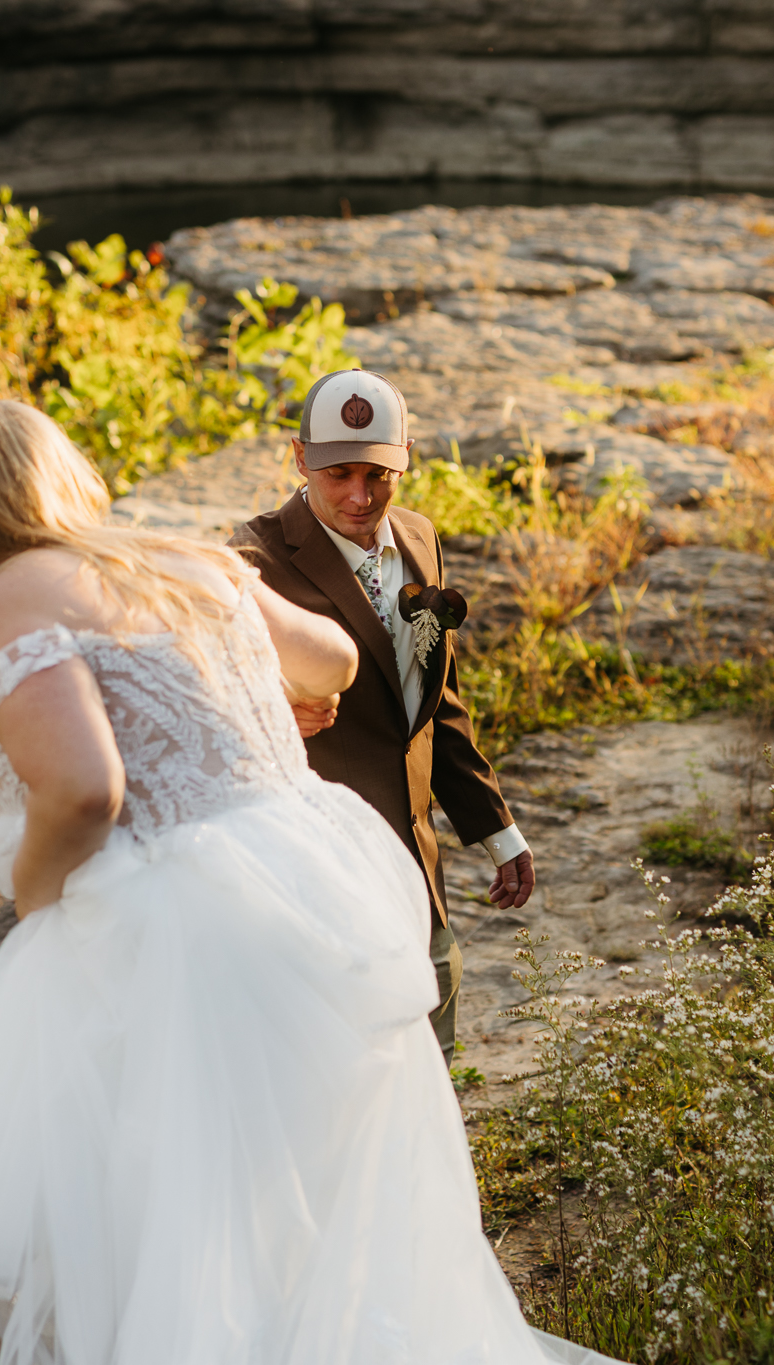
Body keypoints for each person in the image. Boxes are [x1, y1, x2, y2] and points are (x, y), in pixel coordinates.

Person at [0, 399, 612, 1365]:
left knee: (178, 1200)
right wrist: (260, 701)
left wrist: (33, 894)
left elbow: (88, 789)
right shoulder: (183, 558)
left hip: (181, 916)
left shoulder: (2, 598)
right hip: (315, 877)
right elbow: (335, 658)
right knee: (321, 1191)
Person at [231, 369, 533, 1056]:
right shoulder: (252, 559)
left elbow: (436, 704)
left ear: (407, 457)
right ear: (300, 456)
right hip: (314, 883)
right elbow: (208, 709)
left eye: (379, 473)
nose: (361, 496)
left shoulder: (420, 539)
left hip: (417, 875)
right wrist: (267, 703)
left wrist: (496, 827)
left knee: (432, 1069)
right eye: (338, 473)